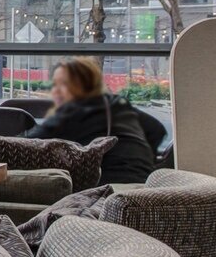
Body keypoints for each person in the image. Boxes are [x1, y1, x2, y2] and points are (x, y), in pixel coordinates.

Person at [24, 58, 158, 184]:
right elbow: (156, 130)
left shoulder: (71, 112)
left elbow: (24, 145)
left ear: (85, 85)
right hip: (145, 184)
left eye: (65, 84)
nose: (56, 91)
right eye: (55, 84)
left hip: (107, 188)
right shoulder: (116, 103)